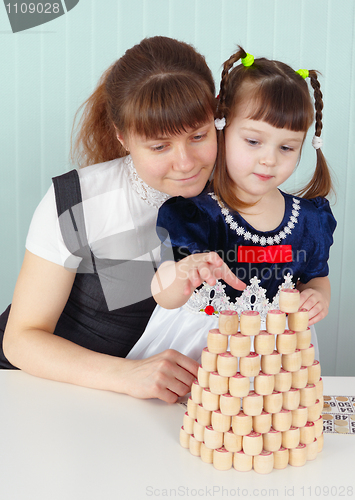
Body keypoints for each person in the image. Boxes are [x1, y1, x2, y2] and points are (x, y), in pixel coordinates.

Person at [0, 36, 244, 404]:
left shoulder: (241, 195)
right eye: (160, 146)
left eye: (198, 135)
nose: (186, 162)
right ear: (123, 136)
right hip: (42, 391)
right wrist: (129, 375)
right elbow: (21, 339)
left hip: (158, 407)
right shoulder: (79, 201)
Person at [150, 47, 336, 358]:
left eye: (287, 147)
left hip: (278, 352)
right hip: (203, 349)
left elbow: (316, 277)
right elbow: (163, 295)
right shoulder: (195, 214)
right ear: (220, 129)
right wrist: (184, 272)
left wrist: (317, 295)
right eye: (253, 141)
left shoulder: (309, 219)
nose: (269, 159)